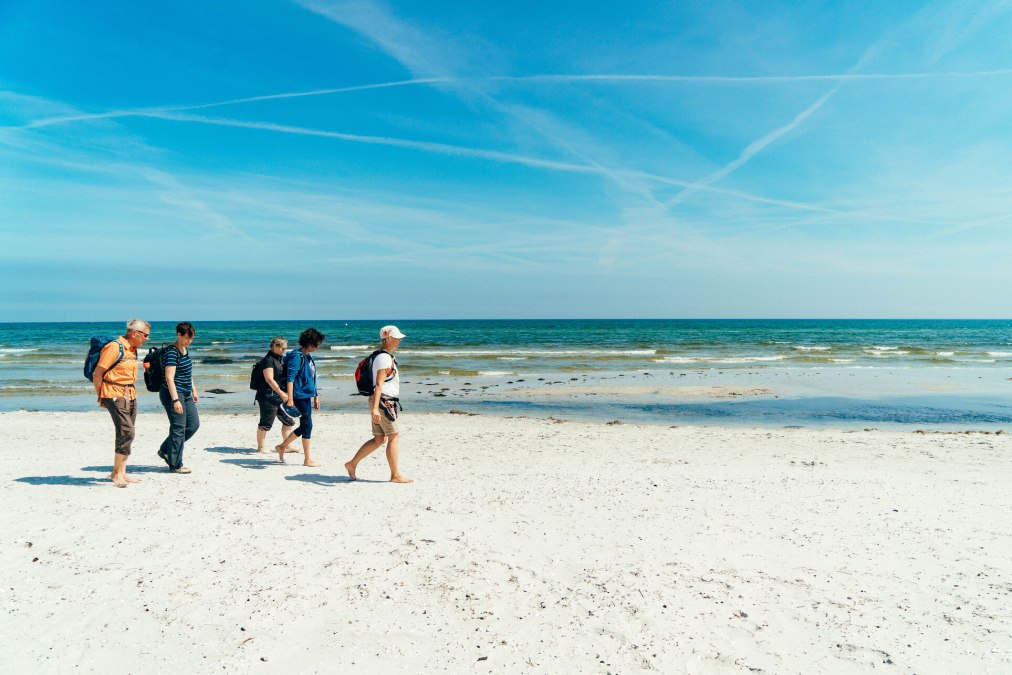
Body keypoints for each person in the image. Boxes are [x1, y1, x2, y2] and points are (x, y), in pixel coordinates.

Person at [345, 325, 413, 483]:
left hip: (381, 400)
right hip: (384, 401)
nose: (399, 341)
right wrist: (375, 408)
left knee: (379, 439)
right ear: (388, 338)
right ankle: (395, 475)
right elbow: (379, 383)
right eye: (396, 338)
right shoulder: (384, 358)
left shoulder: (382, 356)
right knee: (393, 437)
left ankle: (352, 464)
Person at [93, 319, 150, 488]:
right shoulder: (114, 347)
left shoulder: (133, 349)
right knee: (128, 432)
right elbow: (98, 374)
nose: (147, 339)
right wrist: (101, 396)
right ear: (135, 333)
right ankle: (116, 473)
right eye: (145, 335)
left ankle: (121, 472)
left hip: (129, 394)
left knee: (124, 433)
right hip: (114, 393)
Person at [275, 328, 325, 466]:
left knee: (305, 425)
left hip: (306, 395)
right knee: (307, 425)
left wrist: (316, 395)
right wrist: (290, 399)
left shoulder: (307, 356)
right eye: (316, 344)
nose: (318, 346)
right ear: (309, 343)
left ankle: (283, 446)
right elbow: (290, 378)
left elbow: (312, 377)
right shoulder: (297, 356)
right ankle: (307, 459)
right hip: (298, 395)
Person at [157, 322, 200, 474]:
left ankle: (165, 450)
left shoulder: (184, 350)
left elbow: (187, 373)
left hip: (186, 393)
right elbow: (169, 378)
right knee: (178, 428)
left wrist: (194, 390)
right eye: (187, 338)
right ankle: (175, 465)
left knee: (193, 425)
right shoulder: (171, 352)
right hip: (172, 393)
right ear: (179, 334)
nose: (189, 341)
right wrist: (175, 400)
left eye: (191, 338)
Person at [254, 336, 295, 454]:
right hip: (267, 396)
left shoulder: (281, 359)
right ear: (275, 346)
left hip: (280, 395)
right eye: (282, 348)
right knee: (266, 423)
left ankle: (286, 445)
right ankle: (261, 447)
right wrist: (282, 393)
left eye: (286, 348)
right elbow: (269, 379)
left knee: (288, 421)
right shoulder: (268, 360)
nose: (284, 350)